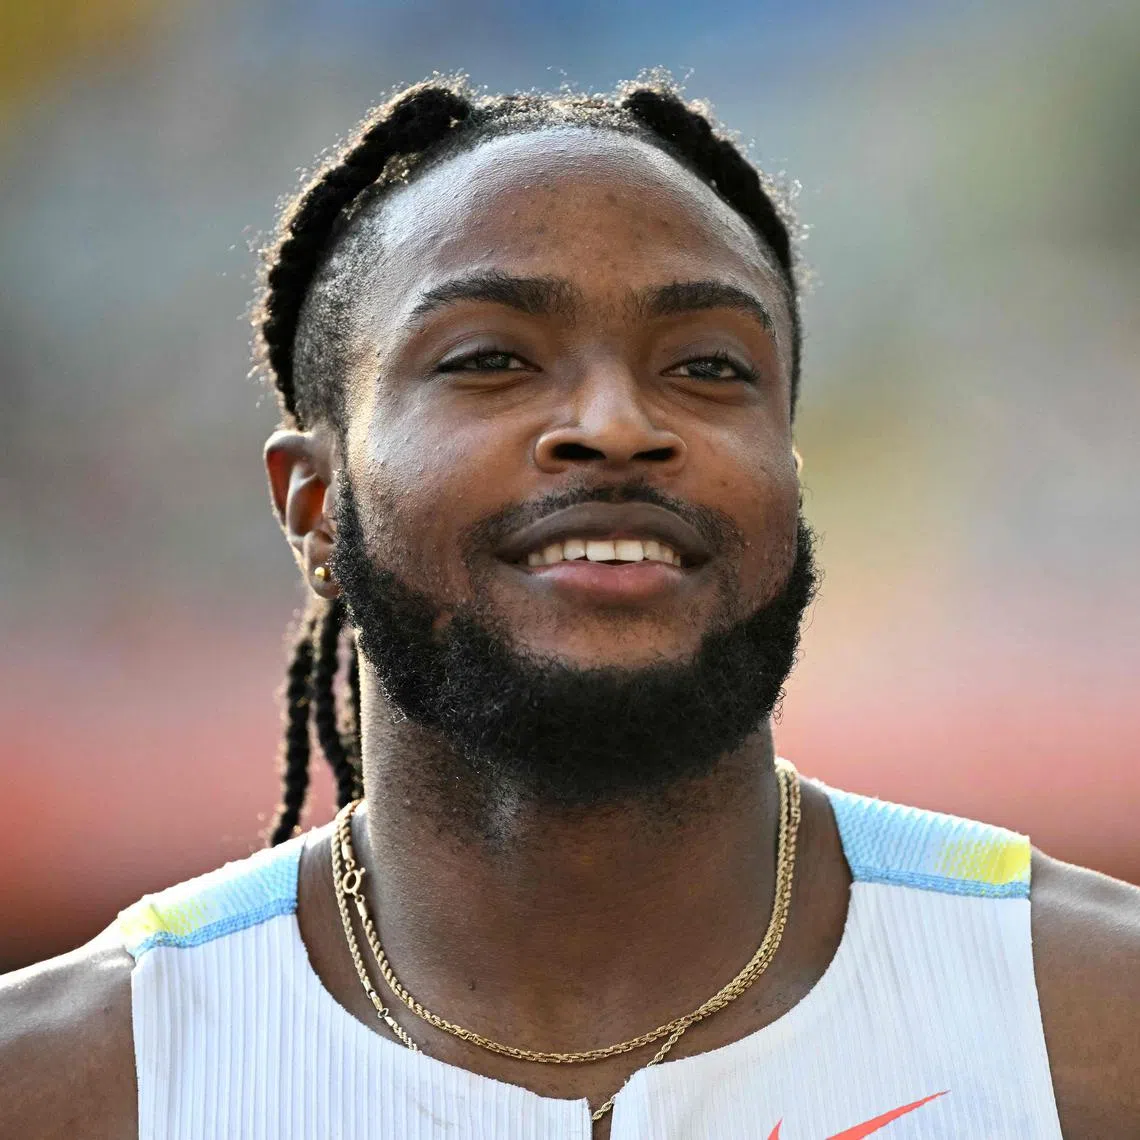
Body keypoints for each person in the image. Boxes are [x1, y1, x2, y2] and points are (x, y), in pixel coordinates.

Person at [1, 78, 1137, 1140]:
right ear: (313, 504)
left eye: (708, 367)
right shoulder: (75, 1081)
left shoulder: (1094, 1026)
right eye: (491, 357)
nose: (615, 421)